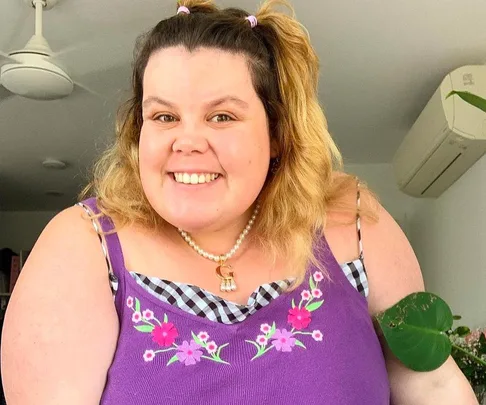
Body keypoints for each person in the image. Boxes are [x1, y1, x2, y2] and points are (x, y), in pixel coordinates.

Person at [1, 0, 478, 404]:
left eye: (222, 115)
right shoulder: (85, 244)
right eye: (164, 115)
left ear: (277, 133)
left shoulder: (352, 219)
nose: (186, 142)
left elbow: (431, 381)